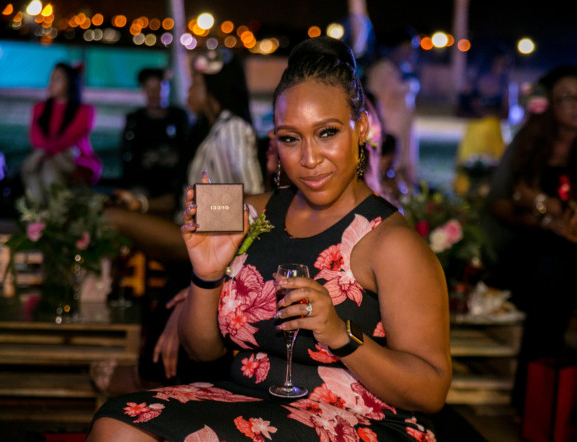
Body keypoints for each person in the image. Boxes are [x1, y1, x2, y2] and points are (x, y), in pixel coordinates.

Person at [87, 36, 451, 441]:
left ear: (362, 127)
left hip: (357, 420)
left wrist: (340, 334)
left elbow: (432, 391)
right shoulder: (239, 207)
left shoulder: (392, 242)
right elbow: (201, 351)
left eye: (327, 133)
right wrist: (204, 277)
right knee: (115, 423)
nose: (309, 159)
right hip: (247, 398)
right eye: (290, 138)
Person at [93, 48, 264, 395]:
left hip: (212, 237)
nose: (187, 90)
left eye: (194, 82)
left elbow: (253, 197)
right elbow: (182, 196)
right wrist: (143, 203)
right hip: (192, 226)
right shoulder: (208, 129)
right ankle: (120, 315)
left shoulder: (233, 128)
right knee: (112, 211)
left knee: (111, 219)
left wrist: (203, 214)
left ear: (211, 88)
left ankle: (101, 298)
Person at [484, 64, 577, 412]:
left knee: (554, 272)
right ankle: (536, 396)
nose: (575, 105)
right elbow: (500, 202)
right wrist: (544, 215)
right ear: (549, 103)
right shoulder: (530, 142)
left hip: (566, 252)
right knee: (542, 270)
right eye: (566, 97)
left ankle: (539, 396)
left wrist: (537, 201)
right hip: (528, 242)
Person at [116, 68, 191, 218]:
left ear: (166, 89)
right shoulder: (135, 120)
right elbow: (128, 157)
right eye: (149, 89)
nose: (153, 94)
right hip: (144, 184)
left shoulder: (178, 117)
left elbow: (187, 149)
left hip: (173, 184)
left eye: (158, 89)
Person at [21, 62, 101, 204]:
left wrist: (46, 150)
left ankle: (52, 213)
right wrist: (47, 151)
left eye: (57, 79)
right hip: (45, 157)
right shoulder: (40, 108)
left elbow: (69, 139)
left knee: (47, 168)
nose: (51, 84)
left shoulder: (85, 111)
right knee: (41, 168)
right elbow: (36, 139)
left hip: (74, 160)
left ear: (70, 83)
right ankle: (41, 212)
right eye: (51, 79)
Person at [365, 26, 420, 193]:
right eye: (408, 47)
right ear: (396, 47)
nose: (411, 52)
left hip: (404, 131)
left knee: (405, 169)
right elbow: (373, 103)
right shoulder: (381, 70)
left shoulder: (403, 69)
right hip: (388, 132)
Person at [454, 45, 513, 198]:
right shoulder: (473, 82)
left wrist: (487, 112)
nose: (503, 66)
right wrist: (475, 111)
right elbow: (459, 110)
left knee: (494, 167)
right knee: (471, 165)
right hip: (475, 130)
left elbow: (507, 114)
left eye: (506, 63)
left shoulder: (505, 84)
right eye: (501, 61)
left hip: (495, 132)